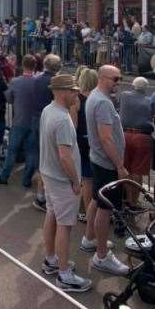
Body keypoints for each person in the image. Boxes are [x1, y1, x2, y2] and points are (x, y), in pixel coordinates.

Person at [39, 74, 92, 293]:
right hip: (62, 180)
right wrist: (75, 181)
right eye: (73, 90)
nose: (76, 93)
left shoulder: (48, 110)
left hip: (49, 175)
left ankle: (51, 259)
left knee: (52, 215)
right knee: (65, 225)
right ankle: (64, 274)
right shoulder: (62, 118)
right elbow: (65, 156)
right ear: (62, 92)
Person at [82, 65, 129, 276]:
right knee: (105, 207)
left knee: (96, 199)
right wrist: (119, 165)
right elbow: (106, 137)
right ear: (102, 78)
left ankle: (90, 237)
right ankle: (101, 256)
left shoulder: (95, 96)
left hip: (98, 159)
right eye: (115, 79)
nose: (118, 83)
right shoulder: (101, 102)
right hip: (107, 163)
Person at [0, 54, 36, 186]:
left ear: (23, 66)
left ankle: (4, 176)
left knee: (12, 150)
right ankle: (26, 180)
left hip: (19, 120)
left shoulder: (15, 82)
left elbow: (9, 99)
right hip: (33, 121)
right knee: (31, 151)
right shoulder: (37, 82)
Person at [30, 54, 62, 211]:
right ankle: (42, 194)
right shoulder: (54, 82)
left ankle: (38, 187)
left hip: (36, 117)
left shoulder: (35, 79)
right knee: (48, 156)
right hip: (48, 119)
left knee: (38, 152)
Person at [120, 76, 155, 210]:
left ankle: (127, 199)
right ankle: (134, 201)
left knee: (126, 169)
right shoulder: (148, 101)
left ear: (133, 85)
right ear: (145, 88)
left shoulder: (124, 96)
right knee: (137, 171)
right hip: (142, 136)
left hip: (125, 134)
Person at [75, 68, 98, 222]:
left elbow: (73, 123)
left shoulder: (76, 98)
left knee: (85, 178)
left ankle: (85, 208)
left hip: (81, 140)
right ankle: (89, 211)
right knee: (90, 178)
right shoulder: (98, 99)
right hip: (94, 141)